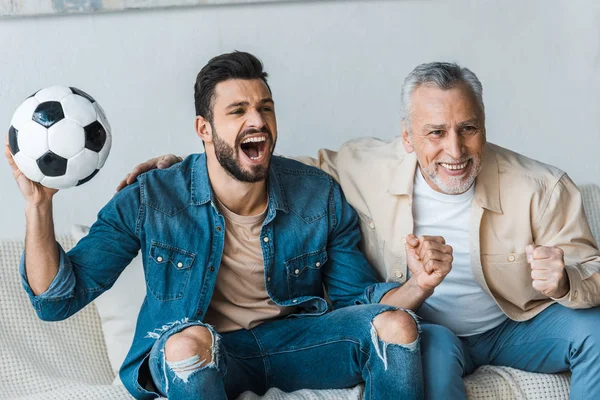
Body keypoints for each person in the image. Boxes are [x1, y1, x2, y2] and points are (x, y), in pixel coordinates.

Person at [132, 61, 600, 399]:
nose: (454, 149)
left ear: (483, 126)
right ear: (407, 136)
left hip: (515, 324)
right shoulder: (362, 166)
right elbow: (268, 167)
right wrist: (187, 169)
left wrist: (565, 280)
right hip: (431, 327)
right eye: (435, 132)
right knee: (420, 349)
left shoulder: (541, 186)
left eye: (468, 128)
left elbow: (592, 268)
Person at [5, 52, 457, 400]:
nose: (257, 120)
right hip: (206, 350)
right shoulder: (151, 197)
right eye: (237, 110)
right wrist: (38, 207)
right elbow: (56, 301)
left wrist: (419, 285)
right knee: (186, 346)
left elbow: (357, 301)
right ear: (204, 128)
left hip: (295, 343)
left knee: (397, 326)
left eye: (265, 107)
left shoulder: (316, 195)